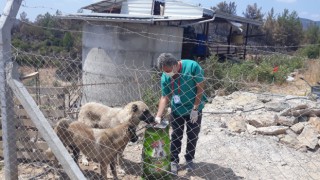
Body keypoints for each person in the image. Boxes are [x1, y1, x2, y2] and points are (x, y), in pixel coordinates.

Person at [155, 53, 207, 175]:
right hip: (177, 109)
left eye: (168, 71)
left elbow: (200, 88)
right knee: (176, 135)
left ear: (175, 65)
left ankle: (189, 159)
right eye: (164, 72)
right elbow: (164, 96)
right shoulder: (165, 76)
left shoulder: (192, 67)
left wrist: (195, 109)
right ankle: (174, 161)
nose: (167, 74)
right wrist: (158, 115)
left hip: (194, 108)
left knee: (192, 135)